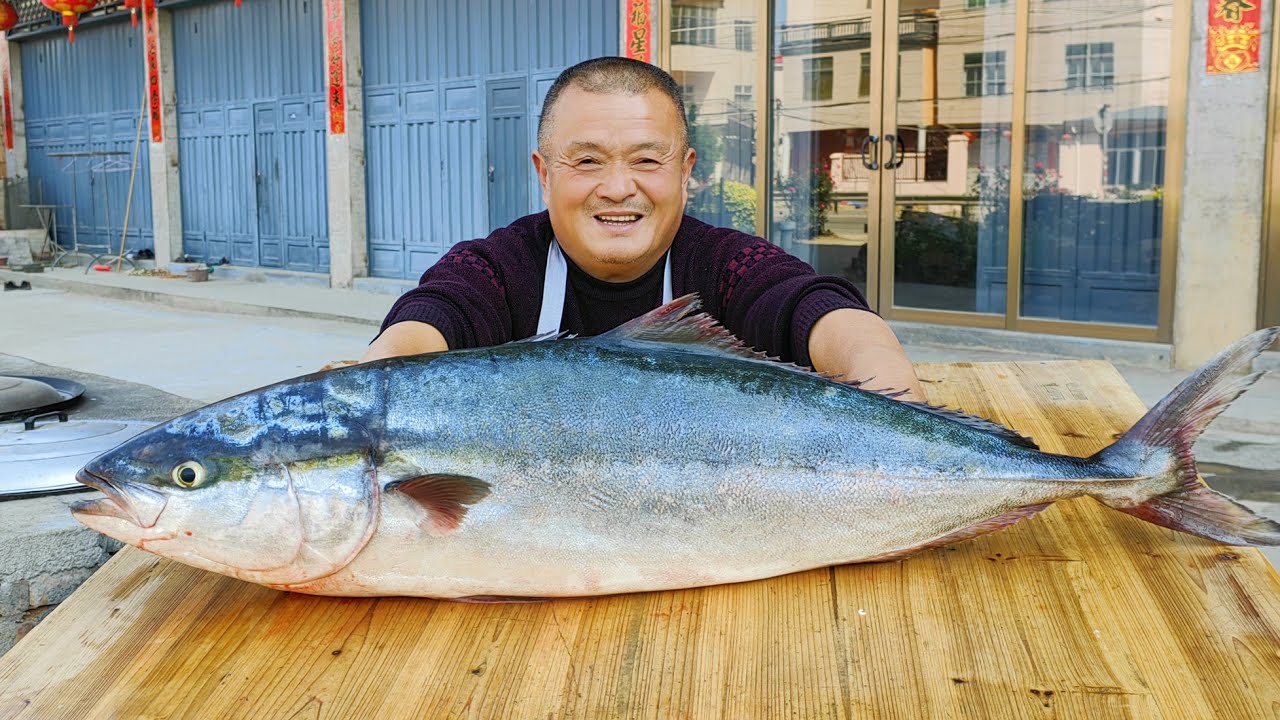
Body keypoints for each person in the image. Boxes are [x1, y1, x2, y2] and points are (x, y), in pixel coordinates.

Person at [359, 57, 924, 401]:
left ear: (685, 172)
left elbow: (816, 309)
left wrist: (885, 379)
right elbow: (431, 319)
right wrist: (369, 397)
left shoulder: (724, 264)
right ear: (543, 172)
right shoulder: (497, 269)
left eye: (647, 161)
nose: (618, 187)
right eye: (586, 161)